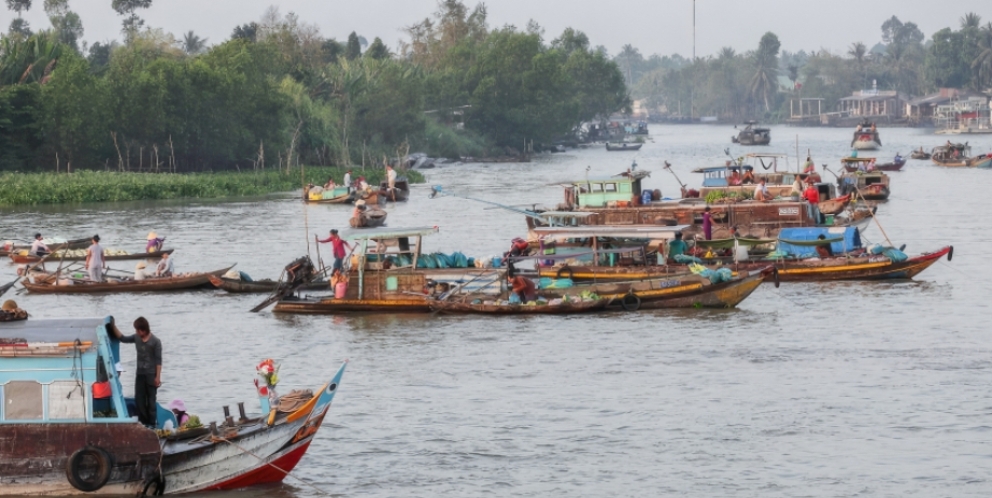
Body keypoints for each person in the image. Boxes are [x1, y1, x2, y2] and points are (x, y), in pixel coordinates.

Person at [109, 316, 162, 427]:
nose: (137, 332)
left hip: (151, 375)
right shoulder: (136, 338)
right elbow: (123, 338)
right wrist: (113, 326)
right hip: (140, 374)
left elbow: (158, 361)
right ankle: (143, 423)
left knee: (151, 401)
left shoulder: (156, 342)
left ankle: (152, 424)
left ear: (144, 329)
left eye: (138, 330)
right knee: (139, 400)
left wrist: (157, 377)